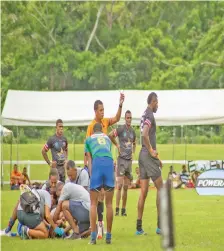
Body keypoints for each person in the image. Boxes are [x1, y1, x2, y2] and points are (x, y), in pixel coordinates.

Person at [85, 93, 125, 239]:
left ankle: (99, 228)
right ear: (95, 111)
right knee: (103, 198)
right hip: (105, 163)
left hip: (98, 164)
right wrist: (86, 168)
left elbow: (117, 118)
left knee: (98, 199)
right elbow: (88, 151)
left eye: (103, 110)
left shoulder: (106, 122)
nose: (103, 112)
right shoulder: (90, 127)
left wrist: (120, 104)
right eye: (100, 110)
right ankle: (102, 227)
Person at [136, 92, 163, 236]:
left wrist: (157, 158)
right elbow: (145, 134)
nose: (158, 105)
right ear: (153, 102)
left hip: (142, 154)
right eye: (157, 102)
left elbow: (145, 135)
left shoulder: (144, 114)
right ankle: (160, 226)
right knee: (162, 189)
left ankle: (138, 228)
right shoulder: (150, 115)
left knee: (144, 192)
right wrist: (152, 151)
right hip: (147, 154)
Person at [85, 123, 115, 245]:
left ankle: (93, 237)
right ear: (102, 130)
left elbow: (89, 160)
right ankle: (108, 236)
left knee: (93, 203)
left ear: (92, 131)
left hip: (97, 163)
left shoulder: (88, 139)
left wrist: (92, 176)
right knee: (109, 204)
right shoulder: (107, 138)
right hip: (109, 163)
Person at [109, 110, 136, 216]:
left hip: (129, 161)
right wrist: (117, 145)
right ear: (125, 119)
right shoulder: (121, 129)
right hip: (121, 160)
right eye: (127, 117)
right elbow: (110, 135)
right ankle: (116, 209)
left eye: (130, 118)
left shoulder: (133, 131)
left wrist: (133, 152)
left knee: (126, 187)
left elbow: (134, 143)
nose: (129, 119)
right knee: (119, 185)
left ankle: (123, 210)